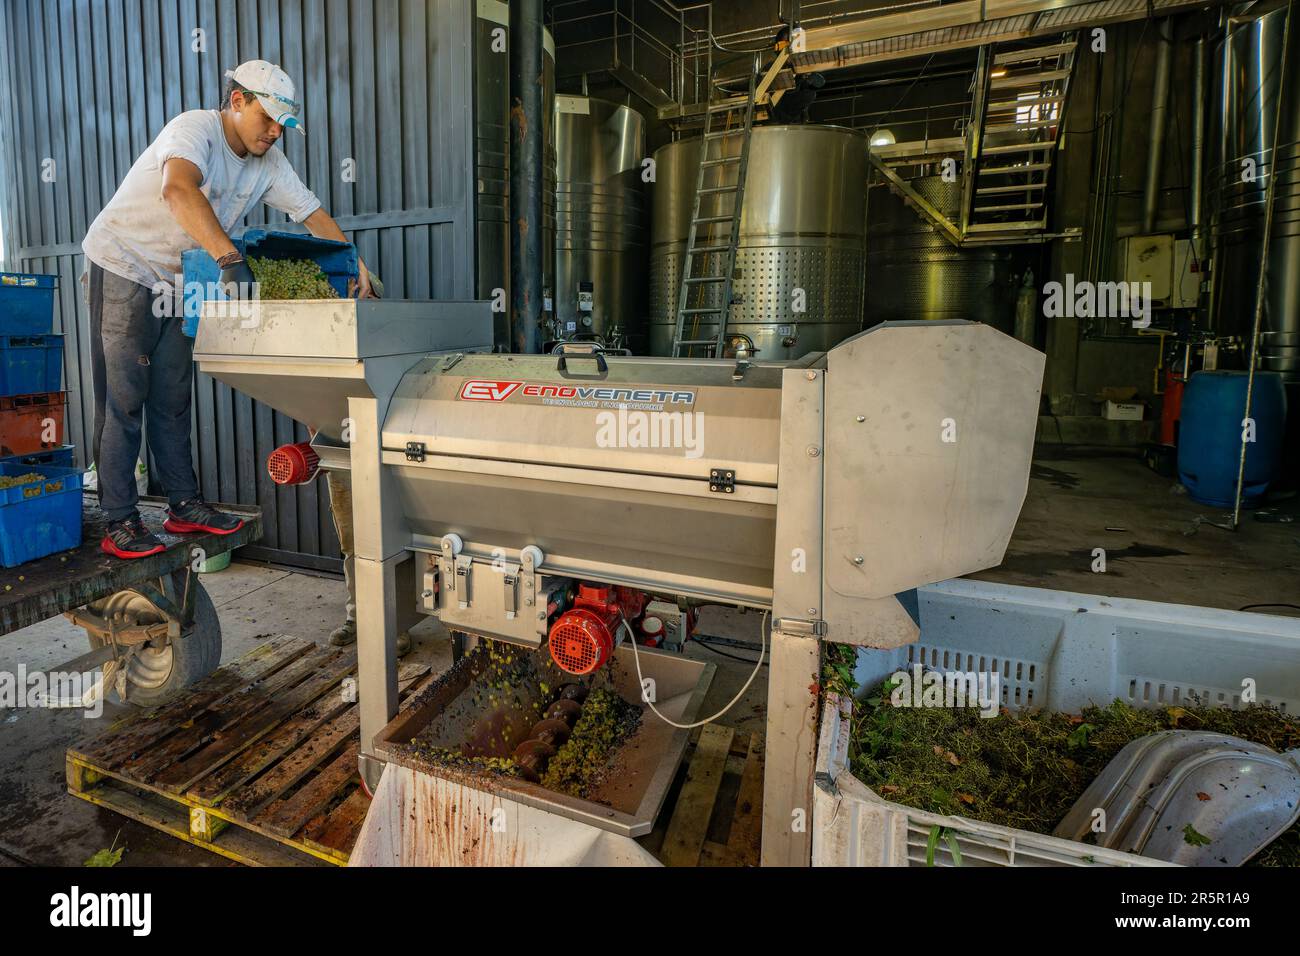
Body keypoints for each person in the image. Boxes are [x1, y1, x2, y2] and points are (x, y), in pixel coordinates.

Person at [81, 59, 373, 559]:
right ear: (237, 101)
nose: (276, 132)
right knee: (124, 398)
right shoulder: (195, 129)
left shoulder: (269, 163)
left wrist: (355, 264)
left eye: (284, 124)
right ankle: (119, 520)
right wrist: (229, 258)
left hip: (178, 278)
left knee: (173, 396)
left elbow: (312, 214)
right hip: (124, 264)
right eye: (269, 118)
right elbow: (178, 188)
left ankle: (183, 505)